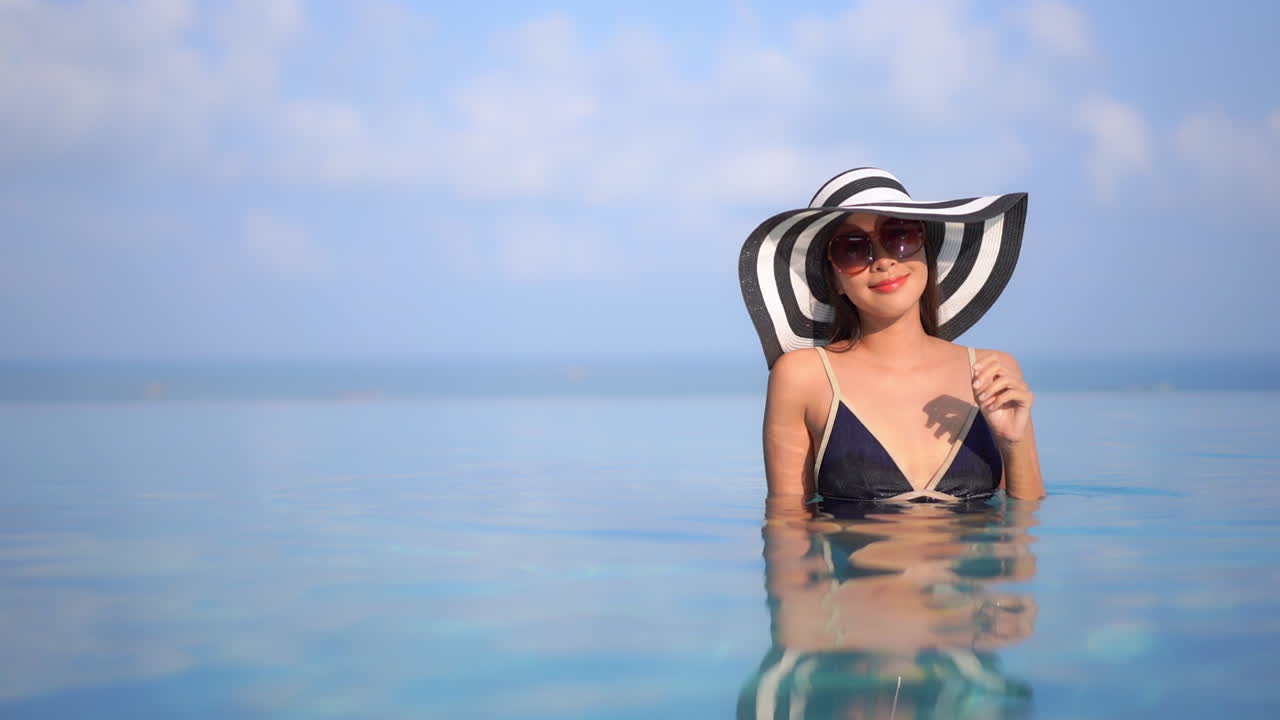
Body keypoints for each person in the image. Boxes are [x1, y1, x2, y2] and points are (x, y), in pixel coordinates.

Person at [739, 167, 1045, 508]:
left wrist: (1013, 444)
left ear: (925, 251)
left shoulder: (993, 371)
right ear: (835, 279)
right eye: (852, 249)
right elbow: (787, 527)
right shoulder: (802, 377)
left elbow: (1024, 525)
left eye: (900, 235)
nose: (884, 261)